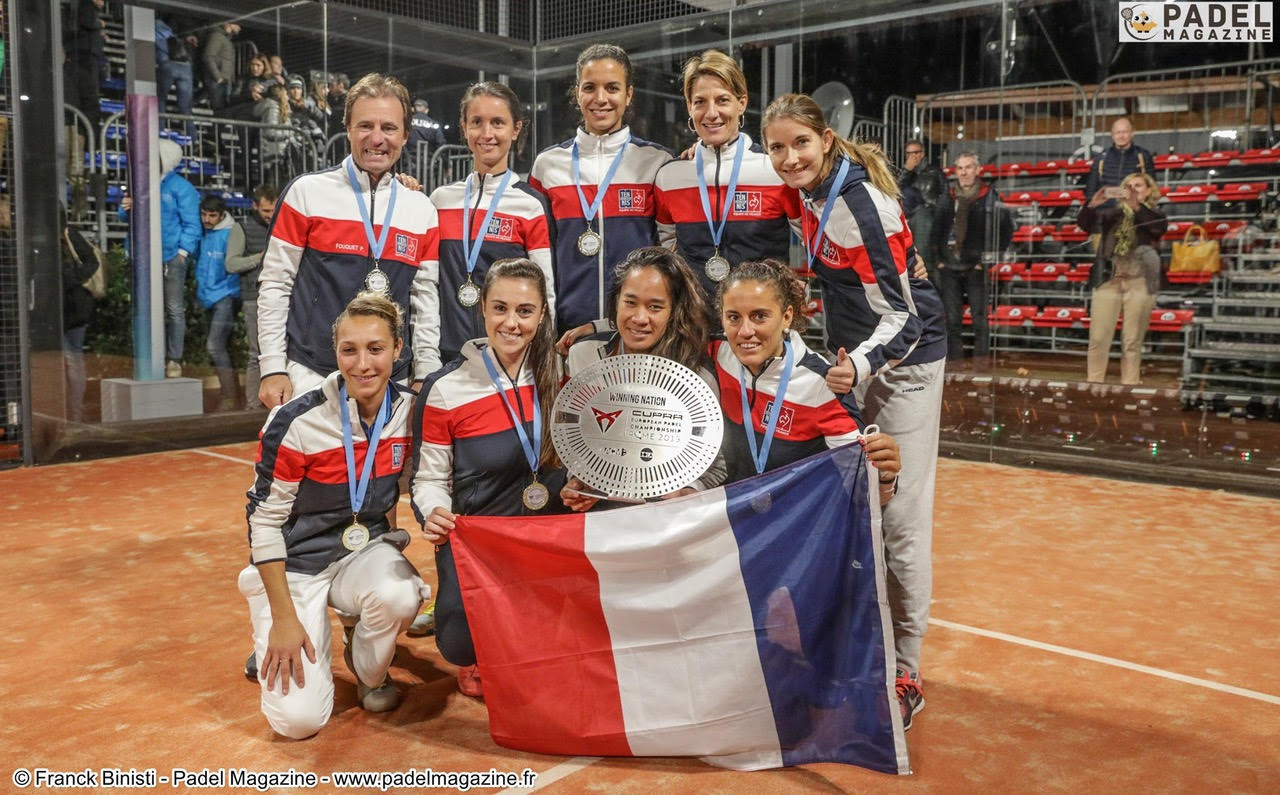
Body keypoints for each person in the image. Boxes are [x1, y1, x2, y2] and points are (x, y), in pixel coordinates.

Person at [762, 93, 946, 731]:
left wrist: (859, 369)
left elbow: (909, 316)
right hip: (853, 358)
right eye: (776, 147)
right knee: (846, 504)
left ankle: (907, 670)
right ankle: (854, 646)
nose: (788, 159)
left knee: (898, 514)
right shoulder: (805, 192)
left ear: (827, 141)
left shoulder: (859, 202)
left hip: (906, 363)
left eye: (800, 145)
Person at [240, 291, 428, 738]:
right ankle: (268, 613)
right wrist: (285, 622)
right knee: (298, 723)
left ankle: (368, 671)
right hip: (298, 565)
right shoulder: (296, 422)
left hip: (363, 551)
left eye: (376, 349)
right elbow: (263, 522)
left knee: (402, 595)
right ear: (336, 353)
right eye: (349, 350)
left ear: (398, 350)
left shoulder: (409, 414)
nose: (362, 364)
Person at [411, 258, 567, 698]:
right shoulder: (446, 388)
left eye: (524, 310)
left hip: (546, 535)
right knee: (461, 644)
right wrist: (435, 511)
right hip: (481, 541)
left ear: (541, 314)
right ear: (482, 308)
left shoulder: (560, 374)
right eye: (500, 308)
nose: (511, 322)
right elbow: (428, 479)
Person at [257, 72, 440, 409]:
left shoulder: (421, 209)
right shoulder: (306, 194)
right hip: (311, 375)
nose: (377, 138)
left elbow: (425, 302)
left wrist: (424, 375)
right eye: (365, 126)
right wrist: (271, 367)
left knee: (383, 466)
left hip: (391, 382)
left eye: (388, 128)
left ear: (405, 134)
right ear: (348, 130)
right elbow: (275, 284)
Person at [712, 259, 901, 500]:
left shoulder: (821, 386)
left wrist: (885, 476)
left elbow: (866, 493)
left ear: (787, 317)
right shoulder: (716, 353)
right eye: (733, 317)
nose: (745, 331)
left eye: (760, 316)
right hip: (733, 522)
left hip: (796, 527)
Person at [560, 246, 724, 512]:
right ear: (616, 302)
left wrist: (688, 491)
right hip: (601, 518)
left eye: (655, 307)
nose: (639, 318)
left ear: (674, 312)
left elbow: (716, 463)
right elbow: (573, 436)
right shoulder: (584, 355)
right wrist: (579, 479)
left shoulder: (696, 377)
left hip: (664, 521)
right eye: (630, 302)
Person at [529, 43, 671, 331]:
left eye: (613, 88)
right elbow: (540, 255)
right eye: (590, 87)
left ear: (629, 95)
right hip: (568, 332)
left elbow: (670, 251)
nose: (601, 98)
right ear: (577, 93)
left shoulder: (657, 163)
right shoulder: (548, 165)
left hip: (639, 330)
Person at [653, 50, 799, 323]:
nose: (711, 113)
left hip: (759, 328)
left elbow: (810, 241)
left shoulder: (774, 172)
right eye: (700, 102)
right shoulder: (670, 178)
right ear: (689, 107)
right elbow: (669, 249)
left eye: (722, 100)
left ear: (741, 103)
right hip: (695, 328)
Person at [428, 82, 554, 365]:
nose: (487, 134)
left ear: (516, 128)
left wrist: (544, 358)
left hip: (509, 357)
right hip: (449, 356)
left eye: (498, 122)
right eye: (477, 122)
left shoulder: (530, 205)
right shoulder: (440, 201)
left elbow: (546, 290)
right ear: (464, 127)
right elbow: (428, 286)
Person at [119, 139, 202, 377]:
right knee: (142, 309)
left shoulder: (181, 188)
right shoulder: (139, 184)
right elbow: (125, 217)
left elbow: (192, 224)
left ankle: (174, 359)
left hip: (170, 258)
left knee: (174, 309)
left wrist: (182, 253)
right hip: (143, 257)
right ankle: (146, 358)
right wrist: (125, 208)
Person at [1079, 172, 1168, 385]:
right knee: (1098, 338)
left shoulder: (1156, 214)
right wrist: (1092, 205)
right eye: (1128, 185)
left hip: (1140, 281)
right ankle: (1094, 383)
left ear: (1148, 191)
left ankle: (1130, 386)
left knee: (1132, 340)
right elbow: (1085, 224)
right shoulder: (1112, 213)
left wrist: (1136, 205)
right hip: (1109, 279)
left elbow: (1157, 229)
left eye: (1138, 186)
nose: (1132, 189)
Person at [933, 151, 1013, 365]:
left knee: (980, 320)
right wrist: (939, 259)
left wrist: (985, 261)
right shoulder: (947, 197)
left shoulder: (990, 196)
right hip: (949, 266)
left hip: (976, 267)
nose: (964, 172)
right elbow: (936, 230)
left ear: (977, 170)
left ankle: (981, 366)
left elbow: (1005, 230)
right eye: (960, 168)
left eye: (968, 167)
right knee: (952, 320)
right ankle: (955, 366)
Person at [226, 184, 277, 409]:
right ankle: (252, 406)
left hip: (282, 297)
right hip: (253, 298)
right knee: (257, 352)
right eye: (266, 211)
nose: (271, 215)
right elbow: (231, 263)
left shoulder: (284, 224)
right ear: (255, 206)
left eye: (275, 210)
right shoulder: (242, 227)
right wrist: (259, 258)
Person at [194, 195, 243, 411]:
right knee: (221, 347)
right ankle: (231, 395)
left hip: (225, 295)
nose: (207, 219)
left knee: (215, 346)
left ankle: (229, 398)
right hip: (208, 297)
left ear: (222, 215)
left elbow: (231, 266)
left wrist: (229, 293)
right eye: (204, 214)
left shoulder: (229, 233)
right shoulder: (206, 233)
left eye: (212, 215)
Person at [61, 208, 100, 423]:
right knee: (68, 360)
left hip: (75, 310)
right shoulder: (35, 235)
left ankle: (75, 413)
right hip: (54, 311)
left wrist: (68, 278)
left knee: (72, 359)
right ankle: (69, 412)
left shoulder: (69, 234)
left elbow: (92, 262)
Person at [897, 139, 946, 285]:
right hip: (909, 222)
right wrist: (907, 170)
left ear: (923, 153)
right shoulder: (904, 173)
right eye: (909, 153)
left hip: (931, 222)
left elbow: (945, 198)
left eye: (916, 152)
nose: (913, 156)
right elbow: (894, 191)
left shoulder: (935, 172)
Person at [1084, 116, 1154, 201]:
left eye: (1125, 132)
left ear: (1132, 133)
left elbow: (1151, 186)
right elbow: (1090, 190)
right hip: (1106, 211)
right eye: (1117, 132)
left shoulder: (1143, 156)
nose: (1121, 136)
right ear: (1112, 135)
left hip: (1133, 210)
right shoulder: (1101, 158)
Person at [155, 17, 196, 135]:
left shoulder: (155, 32)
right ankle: (192, 137)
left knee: (161, 99)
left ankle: (160, 130)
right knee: (185, 106)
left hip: (168, 66)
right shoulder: (174, 35)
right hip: (185, 69)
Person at [201, 21, 240, 112]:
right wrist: (218, 77)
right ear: (230, 23)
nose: (240, 28)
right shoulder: (217, 36)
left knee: (222, 109)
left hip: (224, 80)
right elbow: (208, 56)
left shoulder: (226, 39)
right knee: (220, 110)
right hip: (218, 80)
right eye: (238, 24)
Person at [408, 98, 447, 174]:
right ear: (426, 110)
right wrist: (446, 165)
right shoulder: (434, 124)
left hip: (407, 165)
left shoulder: (406, 123)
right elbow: (441, 145)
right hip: (428, 166)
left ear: (413, 109)